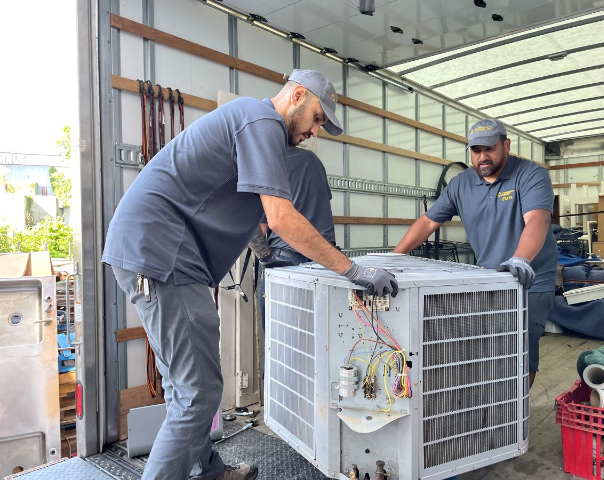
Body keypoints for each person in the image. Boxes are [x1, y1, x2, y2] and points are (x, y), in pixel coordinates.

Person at [101, 69, 398, 480]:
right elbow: (280, 216)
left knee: (185, 388)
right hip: (164, 256)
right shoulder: (261, 122)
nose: (316, 131)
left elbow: (258, 221)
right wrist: (354, 270)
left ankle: (210, 474)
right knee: (198, 394)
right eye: (316, 118)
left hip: (155, 254)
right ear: (297, 96)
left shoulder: (257, 132)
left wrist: (267, 259)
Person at [394, 118, 557, 388]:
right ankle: (489, 407)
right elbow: (427, 222)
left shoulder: (530, 174)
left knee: (521, 350)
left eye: (489, 149)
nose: (482, 157)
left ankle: (516, 415)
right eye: (475, 150)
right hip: (487, 279)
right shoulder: (461, 184)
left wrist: (520, 259)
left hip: (530, 278)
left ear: (506, 145)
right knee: (485, 347)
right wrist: (394, 256)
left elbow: (537, 220)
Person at [247, 144, 337, 330]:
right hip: (326, 262)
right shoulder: (313, 160)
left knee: (282, 343)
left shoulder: (268, 166)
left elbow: (260, 228)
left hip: (287, 260)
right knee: (320, 339)